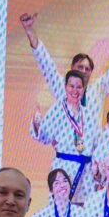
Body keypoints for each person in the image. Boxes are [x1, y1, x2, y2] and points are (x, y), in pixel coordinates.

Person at [20, 11, 109, 124]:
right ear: (72, 68)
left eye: (87, 69)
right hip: (66, 140)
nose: (83, 71)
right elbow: (45, 63)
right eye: (80, 67)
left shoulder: (98, 88)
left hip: (92, 141)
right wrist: (29, 30)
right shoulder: (61, 86)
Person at [30, 70, 96, 205]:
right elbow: (45, 137)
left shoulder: (88, 114)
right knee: (60, 206)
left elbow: (97, 143)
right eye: (71, 86)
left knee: (84, 209)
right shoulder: (57, 110)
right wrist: (37, 124)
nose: (75, 91)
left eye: (79, 87)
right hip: (64, 168)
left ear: (83, 89)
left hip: (86, 171)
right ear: (65, 87)